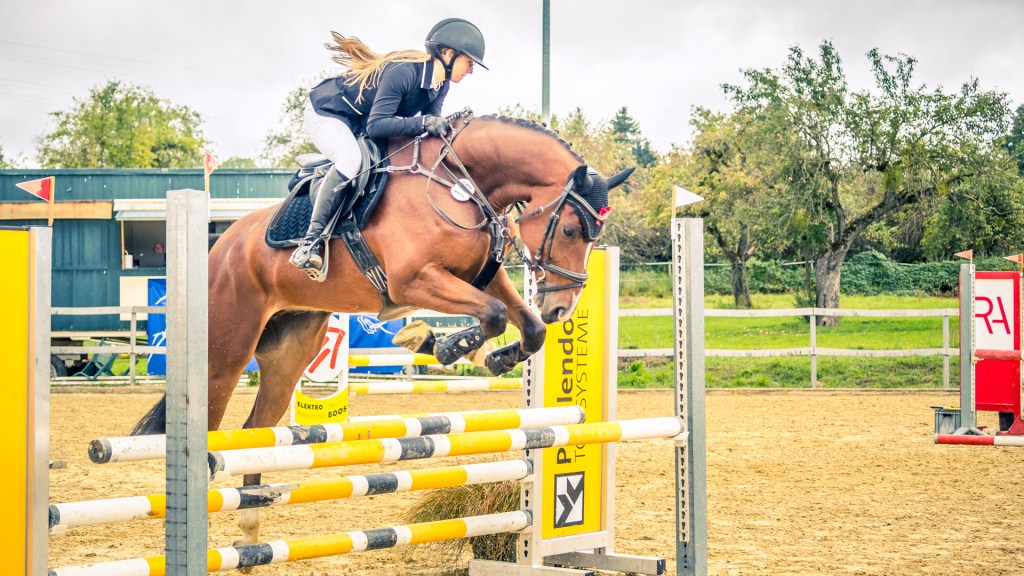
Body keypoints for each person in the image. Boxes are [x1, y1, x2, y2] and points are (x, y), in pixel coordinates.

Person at [289, 18, 487, 282]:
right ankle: (309, 244)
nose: (471, 70)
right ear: (449, 54)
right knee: (350, 159)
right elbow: (377, 126)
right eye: (469, 62)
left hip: (358, 122)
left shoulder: (440, 84)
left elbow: (427, 128)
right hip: (328, 113)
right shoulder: (403, 72)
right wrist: (425, 123)